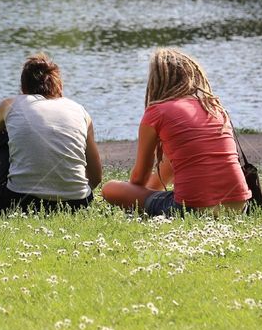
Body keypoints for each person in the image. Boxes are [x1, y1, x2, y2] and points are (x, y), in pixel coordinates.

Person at [102, 48, 251, 216]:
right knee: (171, 161)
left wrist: (135, 193)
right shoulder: (214, 107)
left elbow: (139, 178)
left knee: (110, 189)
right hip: (239, 206)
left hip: (192, 209)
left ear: (156, 80)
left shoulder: (157, 111)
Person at [0, 53, 103, 213]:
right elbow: (96, 178)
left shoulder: (10, 104)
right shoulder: (80, 111)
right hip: (78, 203)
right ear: (59, 87)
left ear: (23, 89)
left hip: (19, 202)